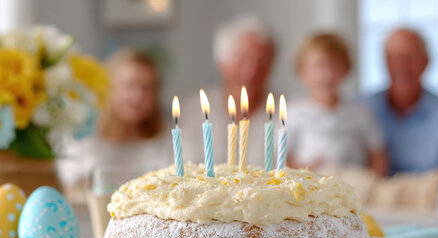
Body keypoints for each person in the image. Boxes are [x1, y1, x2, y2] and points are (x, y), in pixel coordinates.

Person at [361, 28, 438, 178]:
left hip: (433, 200)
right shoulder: (361, 109)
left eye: (409, 57)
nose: (402, 66)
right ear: (385, 62)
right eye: (394, 58)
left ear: (426, 62)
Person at [57, 48, 171, 187]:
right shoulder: (84, 134)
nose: (138, 95)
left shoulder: (164, 137)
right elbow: (71, 187)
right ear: (110, 86)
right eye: (130, 84)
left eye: (148, 87)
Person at [179, 15, 276, 166]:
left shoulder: (290, 112)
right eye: (242, 59)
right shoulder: (190, 111)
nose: (250, 71)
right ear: (222, 62)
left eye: (262, 62)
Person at [287, 33, 388, 176]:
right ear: (302, 71)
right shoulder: (293, 113)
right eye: (319, 66)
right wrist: (302, 170)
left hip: (354, 185)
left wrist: (374, 181)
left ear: (346, 69)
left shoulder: (361, 113)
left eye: (334, 66)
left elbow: (378, 154)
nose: (327, 75)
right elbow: (283, 158)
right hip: (310, 186)